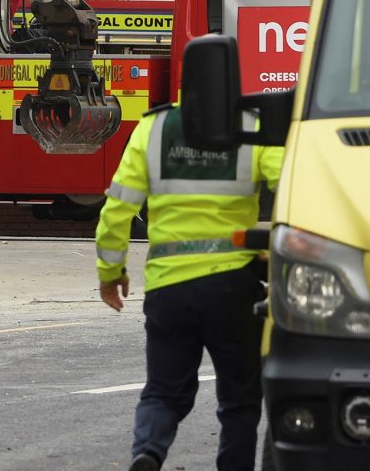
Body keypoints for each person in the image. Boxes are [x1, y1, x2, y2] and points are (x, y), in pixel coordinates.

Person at [95, 102, 284, 471]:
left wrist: (110, 272)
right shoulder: (254, 126)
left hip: (169, 287)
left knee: (163, 392)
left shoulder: (152, 129)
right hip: (232, 285)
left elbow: (117, 209)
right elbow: (297, 195)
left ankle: (148, 451)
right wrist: (281, 256)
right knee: (240, 399)